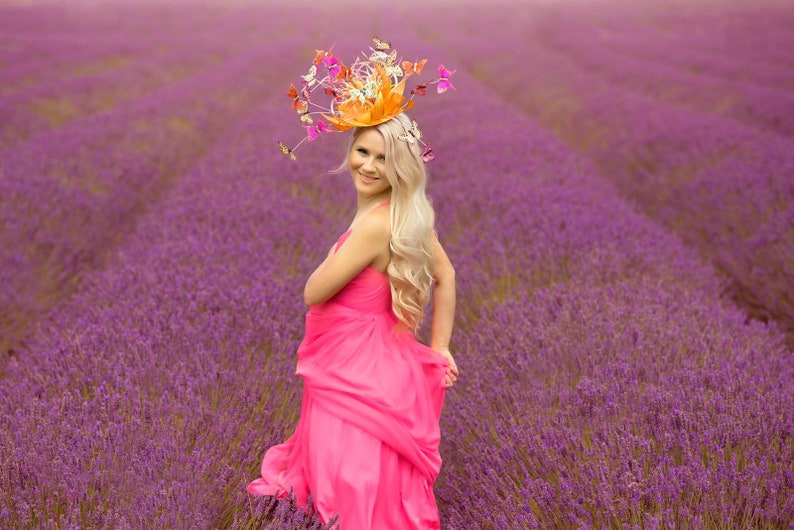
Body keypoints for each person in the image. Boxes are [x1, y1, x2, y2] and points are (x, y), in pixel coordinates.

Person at [248, 40, 459, 529]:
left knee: (349, 468)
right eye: (362, 151)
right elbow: (446, 275)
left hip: (354, 361)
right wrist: (441, 347)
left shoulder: (371, 227)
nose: (367, 165)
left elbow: (312, 292)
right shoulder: (407, 216)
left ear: (399, 168)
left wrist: (331, 256)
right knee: (369, 464)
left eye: (382, 159)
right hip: (388, 356)